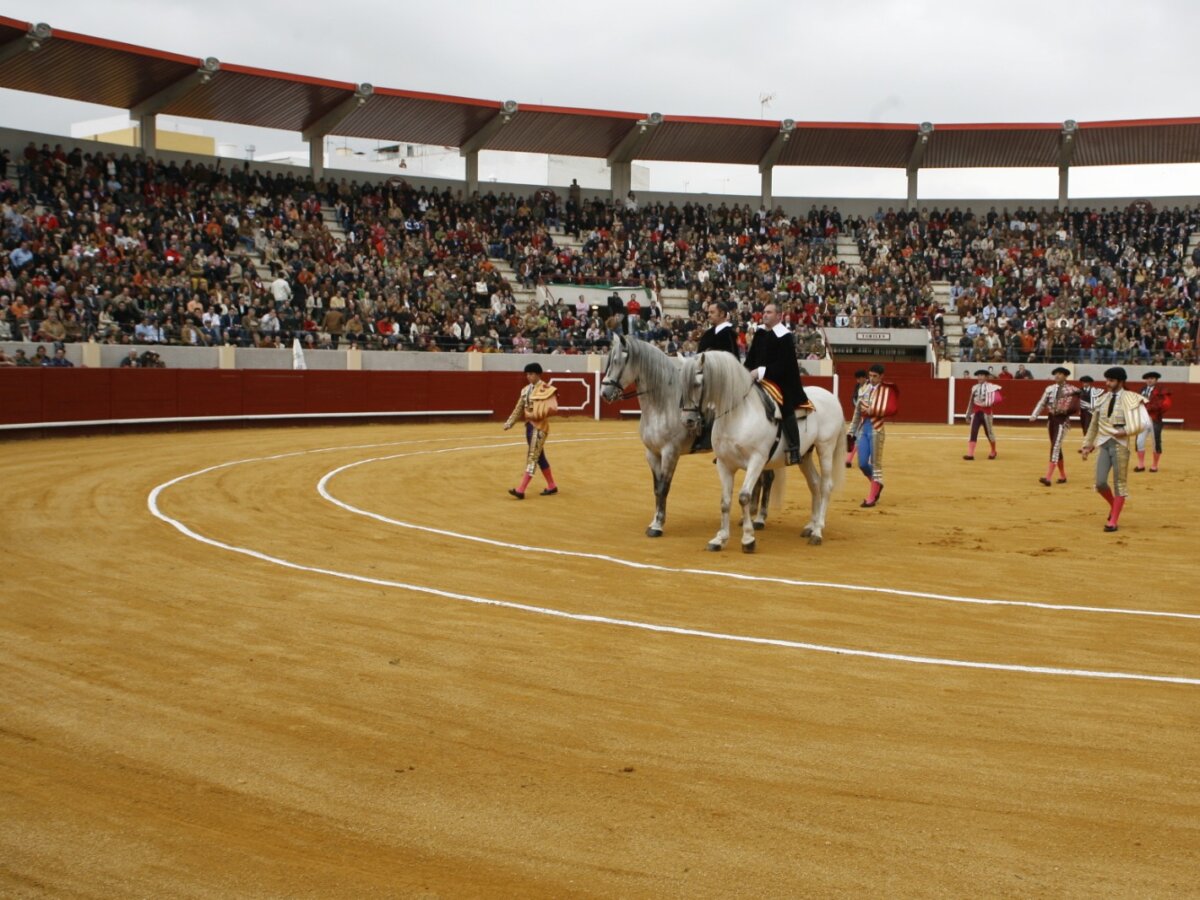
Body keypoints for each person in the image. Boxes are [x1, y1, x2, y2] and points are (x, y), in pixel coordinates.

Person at [1081, 366, 1151, 533]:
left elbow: (1144, 422)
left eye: (1111, 380)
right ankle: (1114, 506)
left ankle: (1113, 520)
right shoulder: (1102, 399)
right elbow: (1094, 424)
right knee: (1100, 482)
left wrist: (1126, 431)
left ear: (1121, 382)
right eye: (1107, 380)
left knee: (1120, 482)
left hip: (1121, 444)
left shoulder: (1132, 398)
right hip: (1104, 443)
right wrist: (1087, 444)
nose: (1107, 383)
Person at [744, 303, 811, 465]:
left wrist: (760, 372)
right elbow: (751, 357)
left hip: (781, 381)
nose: (764, 315)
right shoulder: (760, 333)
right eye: (764, 312)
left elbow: (784, 365)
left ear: (778, 316)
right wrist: (744, 372)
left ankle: (795, 448)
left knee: (784, 404)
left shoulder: (785, 336)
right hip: (758, 378)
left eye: (769, 312)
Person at [503, 362, 559, 499]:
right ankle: (552, 486)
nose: (528, 376)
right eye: (527, 374)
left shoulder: (546, 389)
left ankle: (521, 490)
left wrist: (534, 414)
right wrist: (510, 422)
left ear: (538, 375)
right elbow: (519, 408)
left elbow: (551, 408)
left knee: (533, 456)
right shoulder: (525, 390)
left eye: (531, 374)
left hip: (540, 427)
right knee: (540, 457)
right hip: (529, 426)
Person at [691, 300, 740, 452]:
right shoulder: (710, 333)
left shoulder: (728, 334)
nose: (709, 315)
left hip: (723, 380)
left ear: (723, 315)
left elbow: (732, 360)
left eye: (712, 313)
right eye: (709, 312)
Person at [855, 364, 898, 507]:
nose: (872, 379)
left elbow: (890, 409)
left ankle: (871, 497)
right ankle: (877, 484)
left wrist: (870, 410)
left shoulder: (886, 390)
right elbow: (858, 409)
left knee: (876, 464)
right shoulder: (864, 388)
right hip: (863, 428)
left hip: (876, 429)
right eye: (870, 375)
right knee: (862, 464)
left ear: (881, 377)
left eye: (875, 376)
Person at [1029, 366, 1080, 486]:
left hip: (1062, 421)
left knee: (1056, 446)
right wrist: (1034, 415)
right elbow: (1042, 403)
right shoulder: (1049, 389)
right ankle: (1062, 476)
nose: (1057, 376)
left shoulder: (1073, 389)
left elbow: (1078, 403)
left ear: (1065, 376)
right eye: (1056, 374)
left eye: (1060, 374)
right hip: (1051, 420)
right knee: (1056, 446)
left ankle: (1048, 477)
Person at [1136, 371, 1171, 472]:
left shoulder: (1161, 390)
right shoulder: (1142, 389)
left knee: (1156, 442)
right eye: (1147, 378)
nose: (1149, 380)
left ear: (1156, 380)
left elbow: (1166, 404)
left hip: (1154, 419)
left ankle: (1154, 465)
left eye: (1151, 378)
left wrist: (1154, 409)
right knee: (1139, 441)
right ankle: (1141, 465)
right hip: (1142, 418)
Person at [962, 369, 1001, 460]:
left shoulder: (992, 387)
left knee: (989, 433)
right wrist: (968, 414)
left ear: (986, 377)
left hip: (987, 413)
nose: (979, 377)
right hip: (976, 413)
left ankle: (993, 451)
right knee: (973, 432)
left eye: (981, 375)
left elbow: (997, 399)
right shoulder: (974, 387)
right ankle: (970, 454)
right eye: (978, 375)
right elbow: (971, 402)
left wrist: (988, 403)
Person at [845, 369, 868, 468]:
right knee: (855, 438)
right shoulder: (858, 387)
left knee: (860, 439)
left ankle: (850, 460)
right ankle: (849, 460)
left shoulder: (870, 387)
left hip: (867, 419)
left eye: (859, 379)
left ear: (863, 377)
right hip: (860, 417)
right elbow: (855, 400)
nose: (857, 381)